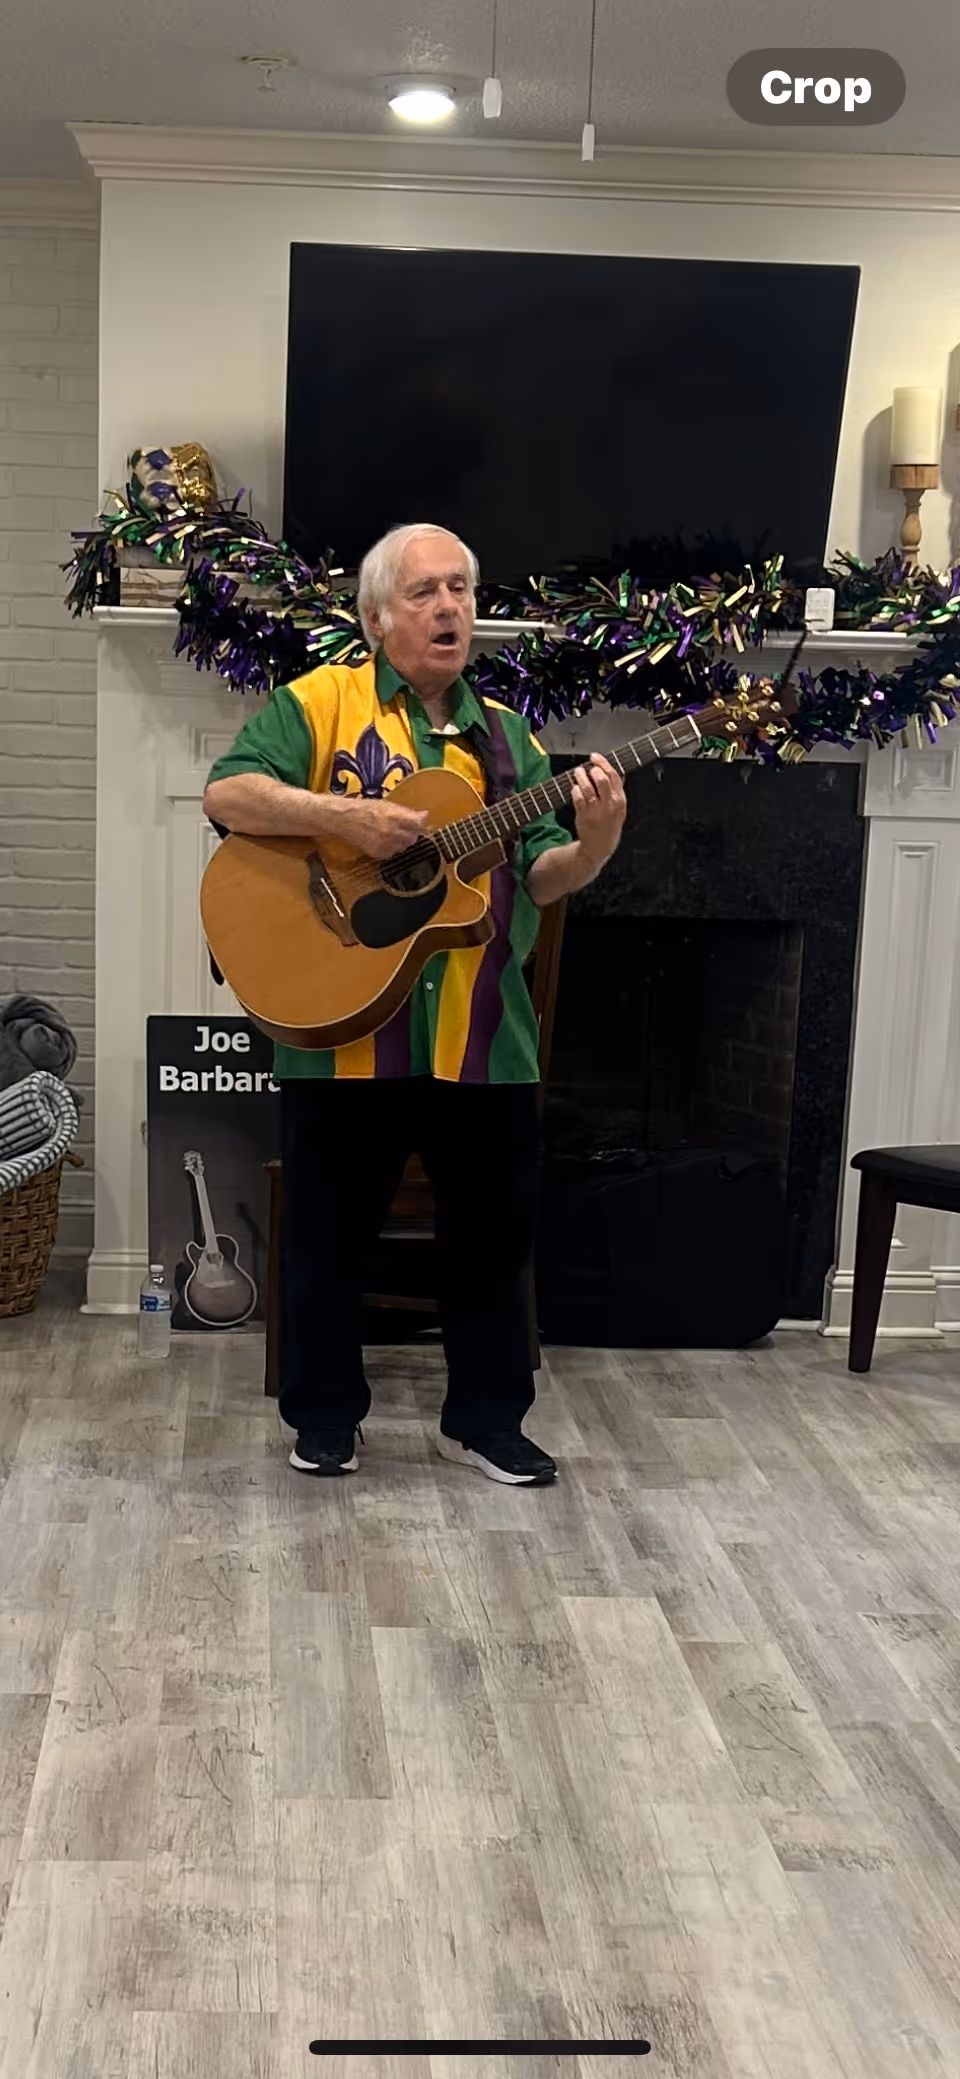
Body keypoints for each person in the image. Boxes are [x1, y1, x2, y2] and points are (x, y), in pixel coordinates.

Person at [202, 523, 626, 1485]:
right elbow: (229, 795)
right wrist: (347, 816)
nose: (450, 608)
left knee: (491, 1235)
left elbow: (546, 874)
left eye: (463, 591)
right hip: (345, 1025)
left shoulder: (508, 739)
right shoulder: (316, 705)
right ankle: (323, 1415)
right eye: (427, 591)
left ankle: (482, 1419)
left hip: (482, 1033)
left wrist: (595, 844)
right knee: (328, 1229)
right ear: (377, 615)